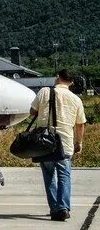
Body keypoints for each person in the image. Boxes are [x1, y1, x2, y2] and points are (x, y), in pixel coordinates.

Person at [30, 69, 87, 222]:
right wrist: (78, 143)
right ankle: (63, 207)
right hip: (65, 142)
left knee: (49, 176)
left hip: (44, 142)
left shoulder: (44, 91)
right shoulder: (76, 99)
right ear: (72, 82)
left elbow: (32, 111)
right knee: (64, 175)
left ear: (57, 78)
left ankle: (55, 208)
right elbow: (80, 124)